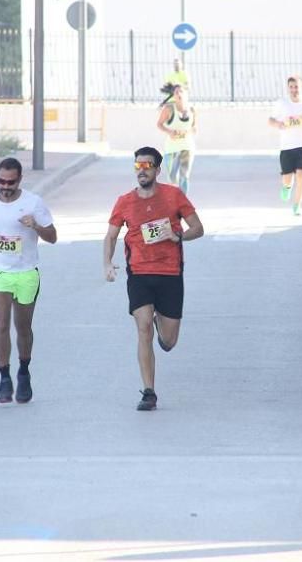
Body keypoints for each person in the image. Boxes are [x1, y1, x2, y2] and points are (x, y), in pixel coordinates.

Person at [103, 146, 204, 411]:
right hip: (139, 273)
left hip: (170, 273)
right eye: (138, 166)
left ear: (158, 170)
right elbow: (111, 235)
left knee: (169, 342)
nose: (142, 170)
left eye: (147, 166)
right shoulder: (124, 201)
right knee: (143, 327)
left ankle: (163, 323)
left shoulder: (173, 196)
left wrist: (178, 235)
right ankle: (149, 391)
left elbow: (198, 228)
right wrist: (107, 264)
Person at [0, 157, 57, 404]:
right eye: (1, 181)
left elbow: (52, 236)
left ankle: (24, 371)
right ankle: (4, 377)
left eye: (11, 182)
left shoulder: (33, 203)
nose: (5, 186)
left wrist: (36, 227)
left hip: (26, 272)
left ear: (20, 180)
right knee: (1, 325)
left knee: (23, 327)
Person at [268, 75, 302, 216]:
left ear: (301, 87)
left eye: (296, 87)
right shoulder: (282, 103)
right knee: (288, 178)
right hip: (286, 147)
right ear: (288, 88)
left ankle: (297, 206)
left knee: (301, 175)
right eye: (291, 87)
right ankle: (286, 187)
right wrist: (278, 124)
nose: (294, 90)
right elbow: (270, 120)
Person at [156, 84, 197, 193]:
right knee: (173, 179)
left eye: (181, 91)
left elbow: (194, 128)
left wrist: (188, 132)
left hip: (187, 147)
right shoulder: (169, 109)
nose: (178, 94)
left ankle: (183, 204)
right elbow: (159, 124)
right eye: (176, 92)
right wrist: (170, 132)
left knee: (184, 176)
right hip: (171, 149)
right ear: (173, 96)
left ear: (186, 94)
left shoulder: (192, 109)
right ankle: (173, 202)